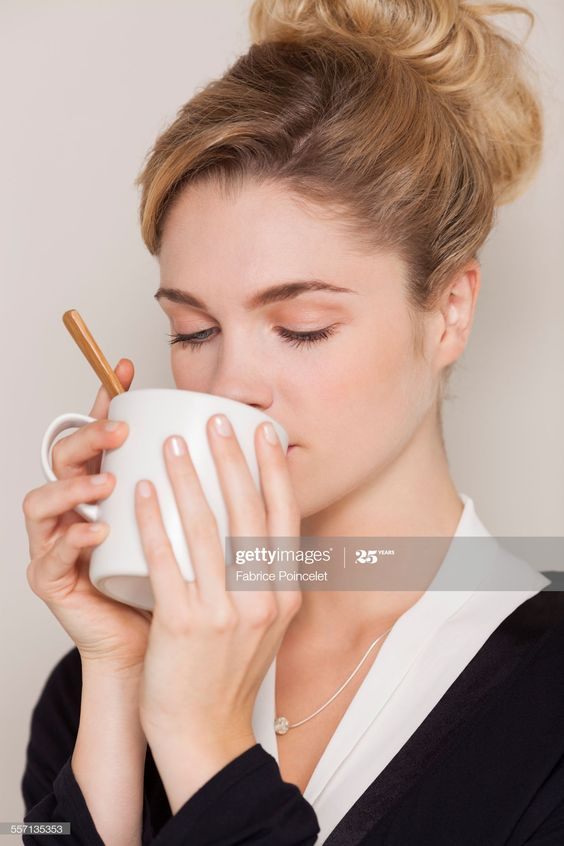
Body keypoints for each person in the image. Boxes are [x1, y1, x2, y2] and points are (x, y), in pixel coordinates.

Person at [20, 1, 564, 844]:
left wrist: (205, 744)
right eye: (193, 331)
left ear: (449, 310)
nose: (230, 382)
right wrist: (117, 673)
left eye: (302, 326)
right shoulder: (96, 682)